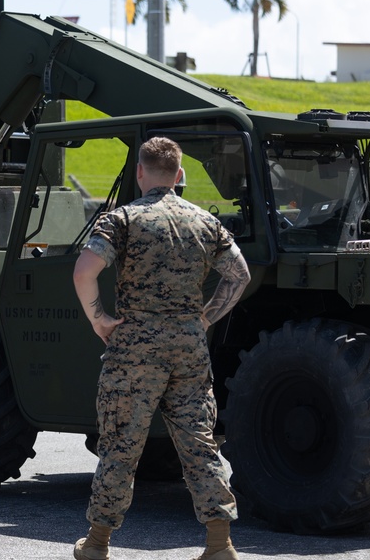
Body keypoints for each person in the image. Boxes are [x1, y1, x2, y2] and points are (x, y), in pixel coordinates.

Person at [71, 136, 251, 560]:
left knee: (120, 445)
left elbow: (84, 272)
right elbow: (239, 275)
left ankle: (97, 544)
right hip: (189, 346)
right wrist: (204, 318)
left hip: (135, 347)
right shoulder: (205, 221)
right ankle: (219, 544)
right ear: (180, 174)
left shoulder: (123, 220)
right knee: (199, 443)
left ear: (139, 173)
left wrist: (99, 319)